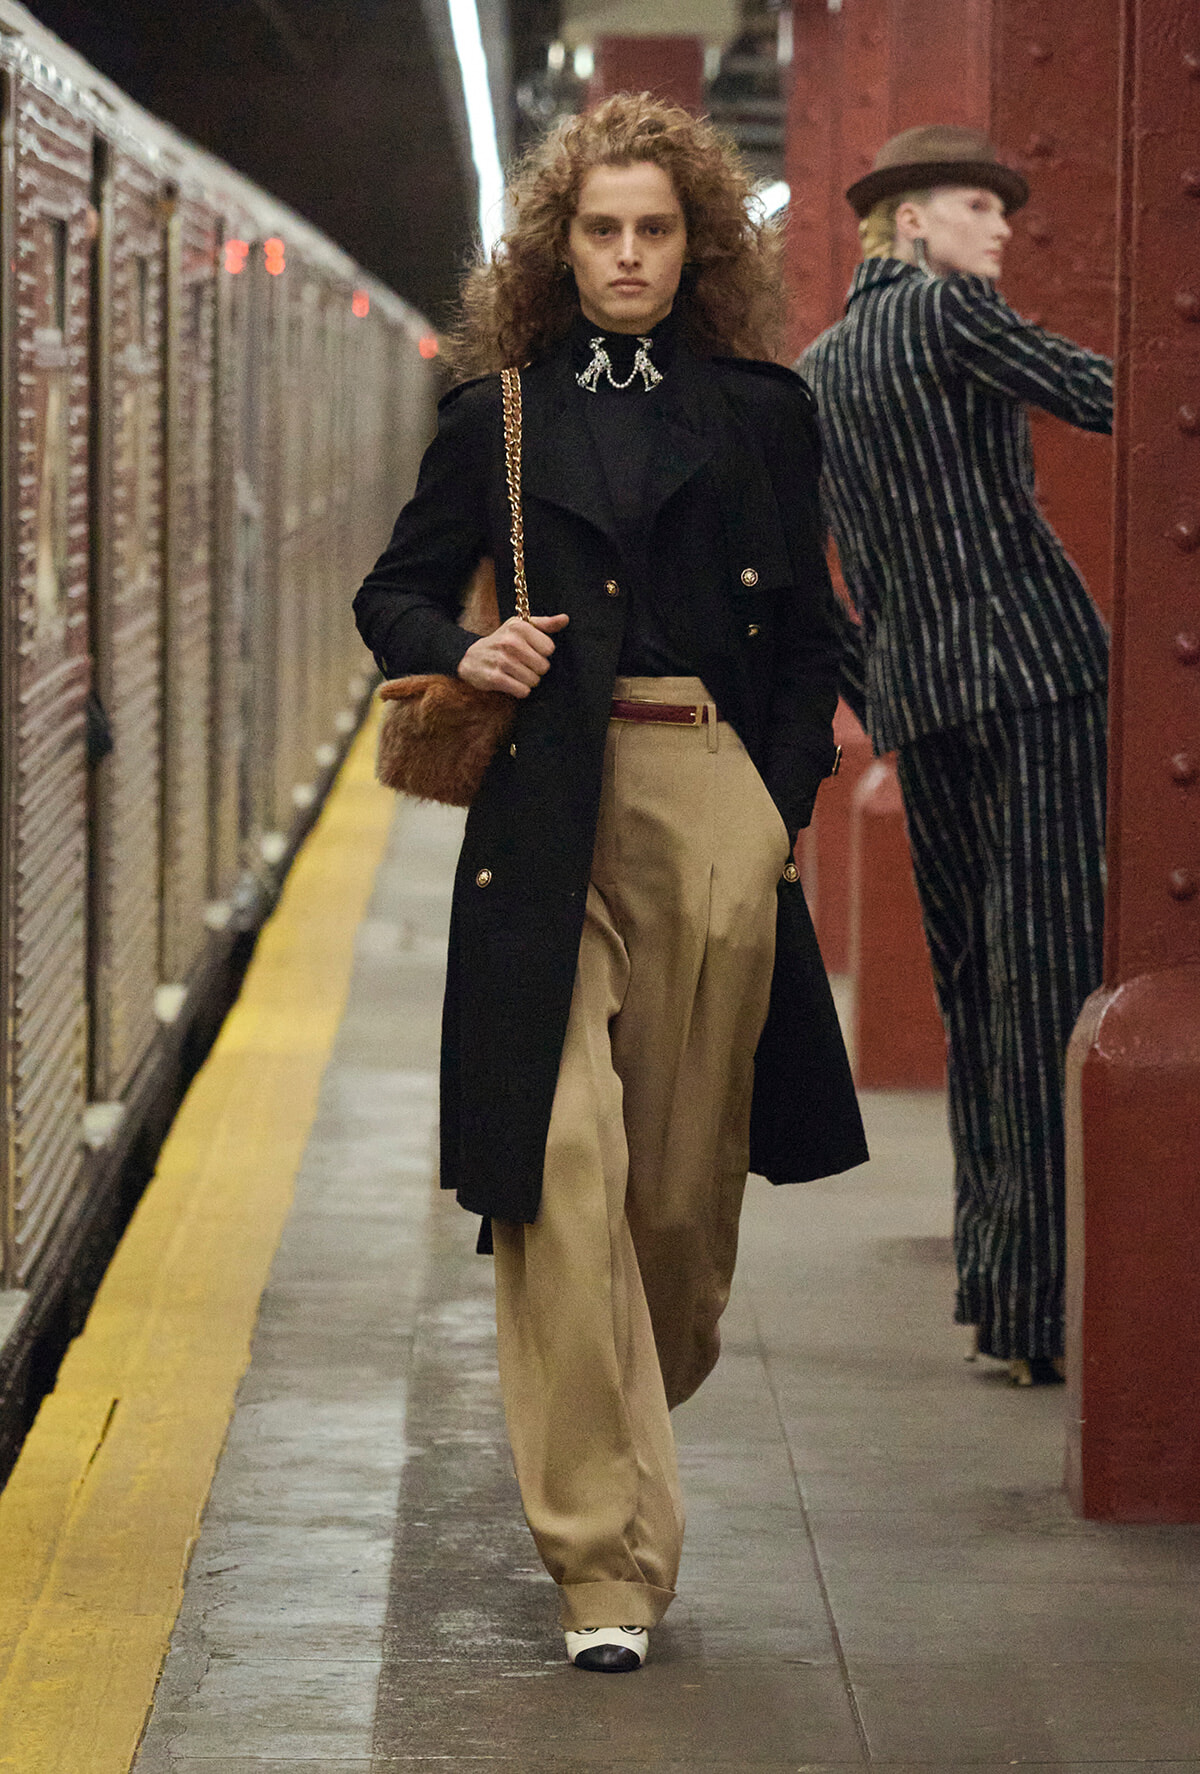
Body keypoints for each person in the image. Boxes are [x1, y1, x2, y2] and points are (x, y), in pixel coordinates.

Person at [354, 93, 866, 1672]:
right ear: (558, 249)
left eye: (653, 230)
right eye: (600, 230)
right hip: (548, 805)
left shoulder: (768, 413)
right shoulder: (495, 414)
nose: (628, 254)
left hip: (715, 799)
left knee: (676, 1198)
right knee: (558, 1160)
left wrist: (773, 812)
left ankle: (642, 1381)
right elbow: (393, 592)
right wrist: (464, 644)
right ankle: (606, 1564)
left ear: (692, 242)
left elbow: (816, 643)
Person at [799, 125, 1112, 1387]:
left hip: (922, 708)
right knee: (1046, 984)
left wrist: (886, 686)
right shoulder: (948, 313)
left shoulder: (819, 368)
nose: (1000, 231)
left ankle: (1000, 1284)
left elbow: (813, 587)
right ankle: (1041, 1313)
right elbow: (1108, 395)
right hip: (1039, 682)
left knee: (976, 989)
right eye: (976, 208)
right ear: (909, 225)